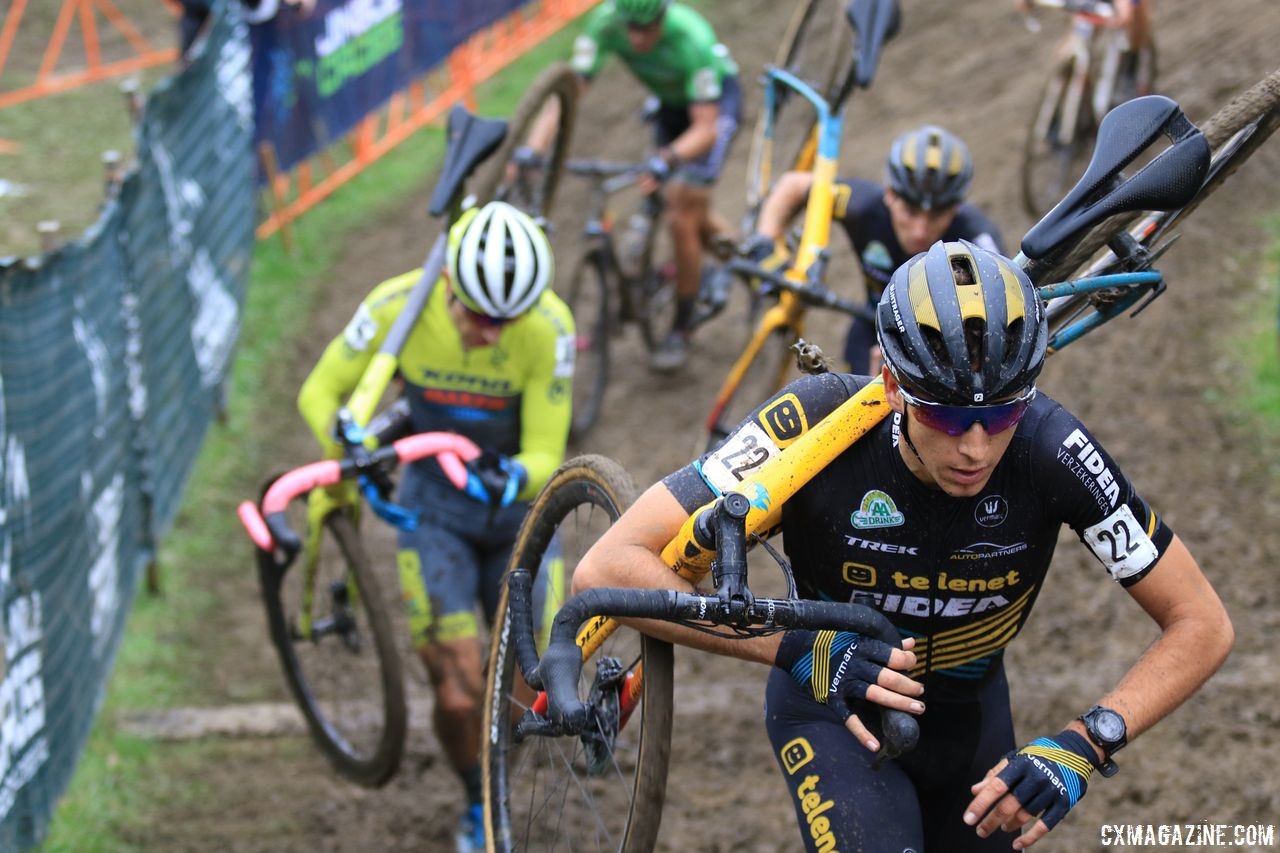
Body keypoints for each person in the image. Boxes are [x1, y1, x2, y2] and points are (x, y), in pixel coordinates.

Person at [573, 240, 1232, 851]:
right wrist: (792, 648)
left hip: (970, 722)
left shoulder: (1051, 449)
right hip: (832, 710)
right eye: (945, 415)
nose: (974, 446)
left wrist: (1086, 744)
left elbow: (1200, 621)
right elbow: (606, 567)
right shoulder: (812, 423)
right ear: (890, 384)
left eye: (1001, 413)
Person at [297, 201, 574, 851]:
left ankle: (502, 772)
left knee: (529, 685)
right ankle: (475, 795)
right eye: (478, 316)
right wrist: (347, 446)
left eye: (506, 319)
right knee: (454, 691)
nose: (491, 334)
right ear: (448, 284)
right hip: (432, 514)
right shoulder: (398, 306)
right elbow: (319, 392)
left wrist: (504, 477)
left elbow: (545, 453)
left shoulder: (548, 326)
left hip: (517, 516)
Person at [560, 0, 742, 372]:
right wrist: (532, 149)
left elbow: (706, 128)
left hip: (713, 108)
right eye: (630, 28)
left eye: (646, 29)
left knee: (681, 211)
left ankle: (681, 327)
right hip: (671, 105)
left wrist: (667, 159)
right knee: (669, 201)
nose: (636, 39)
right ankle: (750, 256)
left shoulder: (692, 39)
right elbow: (565, 94)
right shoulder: (606, 24)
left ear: (662, 17)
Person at [747, 124, 1003, 377]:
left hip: (944, 351)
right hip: (873, 325)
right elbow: (793, 186)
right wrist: (765, 244)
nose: (920, 231)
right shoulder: (863, 205)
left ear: (956, 207)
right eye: (910, 211)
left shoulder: (977, 240)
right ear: (890, 195)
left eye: (937, 215)